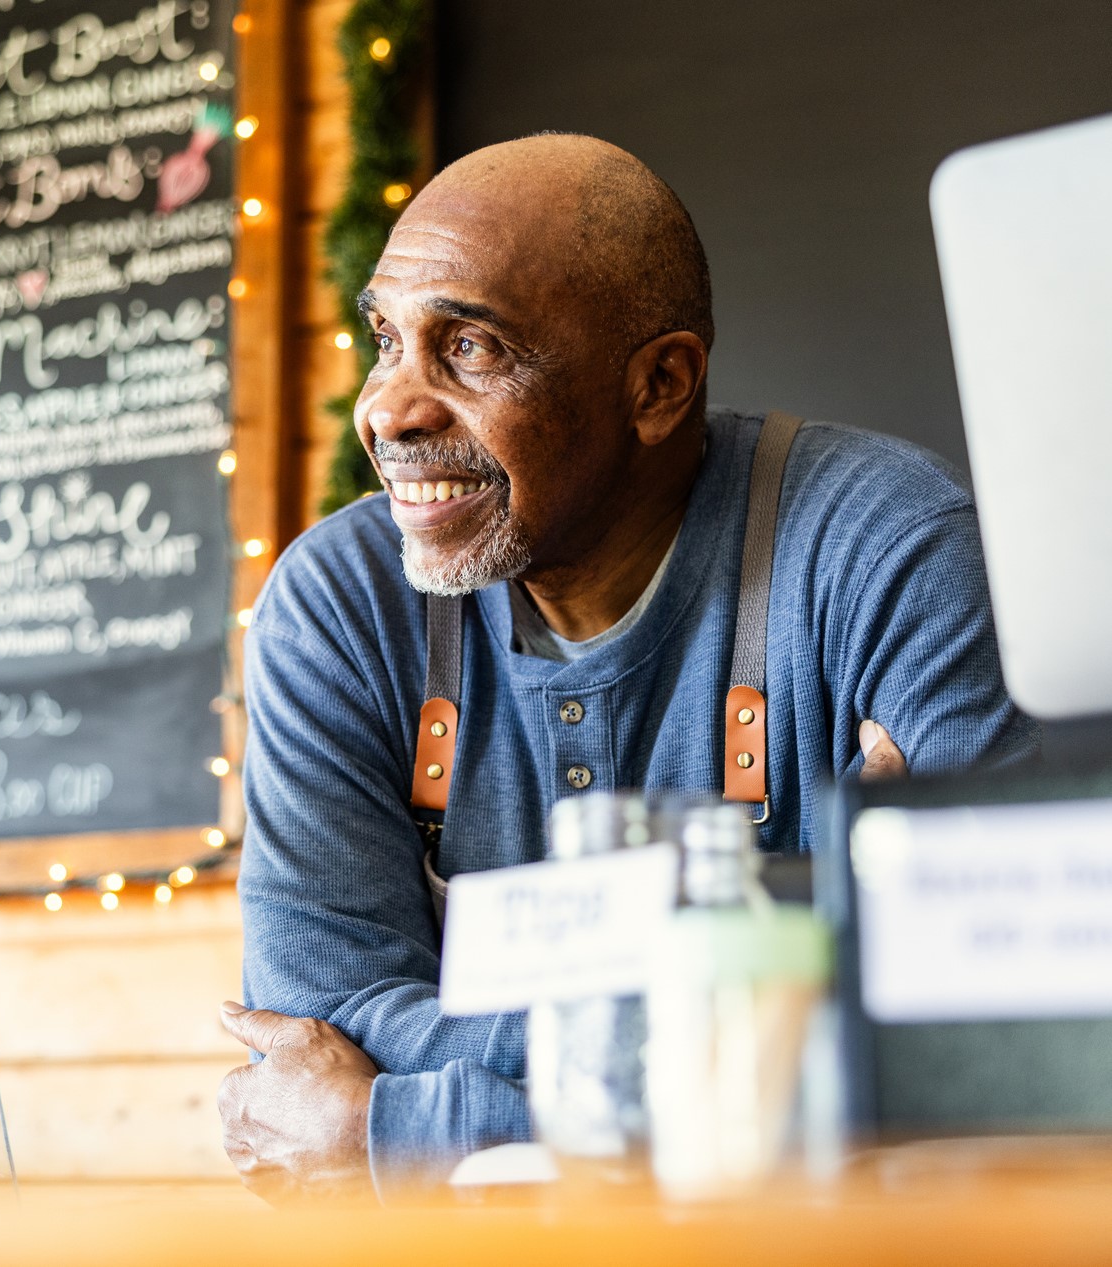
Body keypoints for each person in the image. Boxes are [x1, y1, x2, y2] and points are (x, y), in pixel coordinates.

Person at [215, 134, 1038, 1203]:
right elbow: (311, 1021)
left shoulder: (884, 547)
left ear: (658, 385)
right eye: (386, 338)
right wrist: (763, 1019)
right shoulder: (339, 604)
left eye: (467, 348)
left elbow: (981, 1036)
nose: (388, 409)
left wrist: (403, 1120)